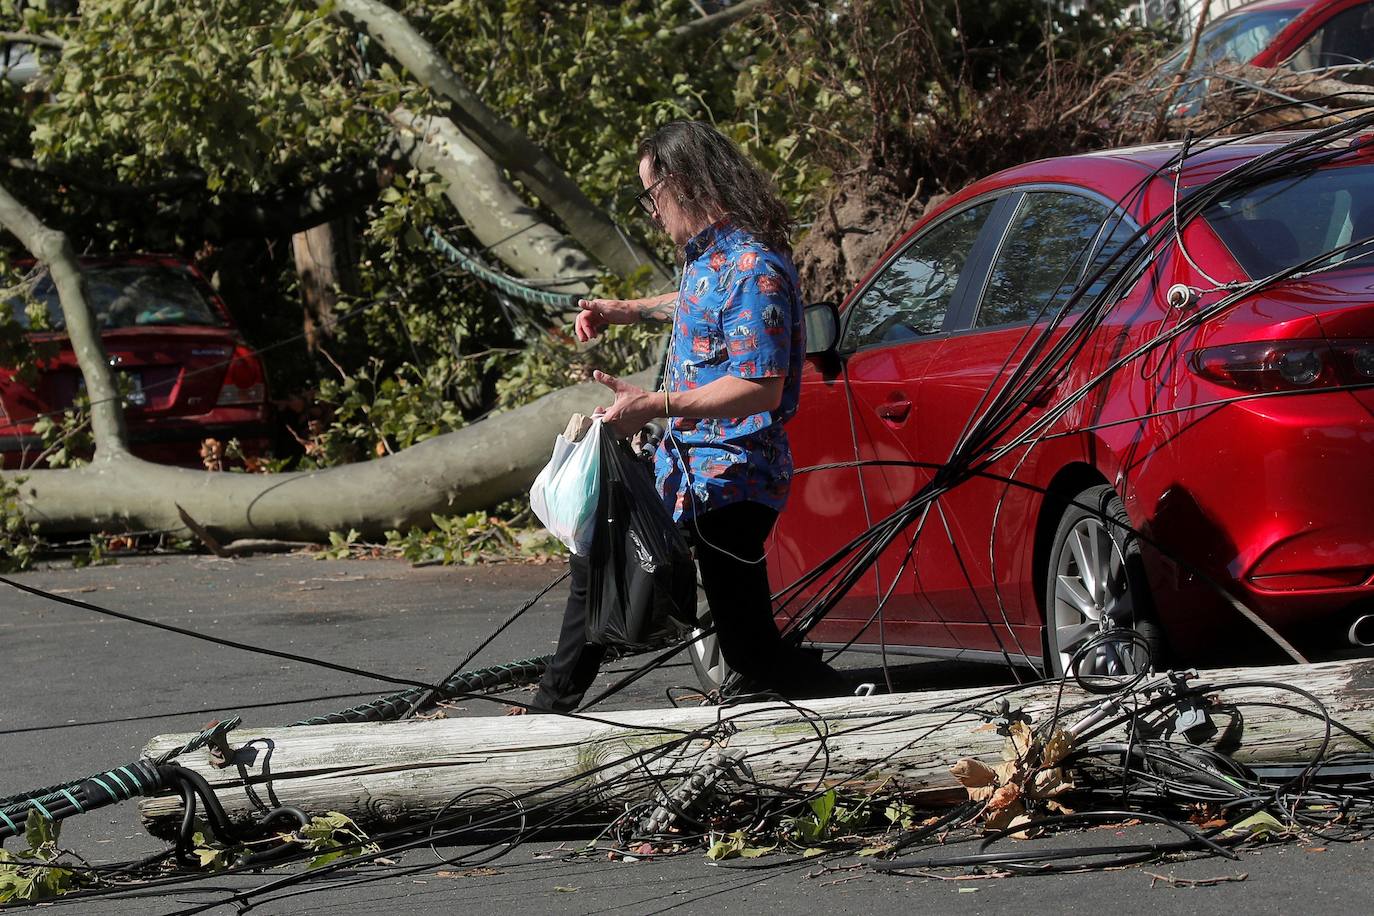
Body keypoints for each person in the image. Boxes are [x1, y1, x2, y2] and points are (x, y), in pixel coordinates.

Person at [512, 120, 844, 715]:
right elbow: (694, 301)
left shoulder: (754, 268)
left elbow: (760, 388)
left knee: (749, 650)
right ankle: (550, 709)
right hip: (690, 471)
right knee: (601, 553)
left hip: (731, 480)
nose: (652, 212)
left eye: (651, 194)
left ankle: (857, 714)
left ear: (685, 182)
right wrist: (626, 310)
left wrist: (654, 404)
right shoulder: (711, 260)